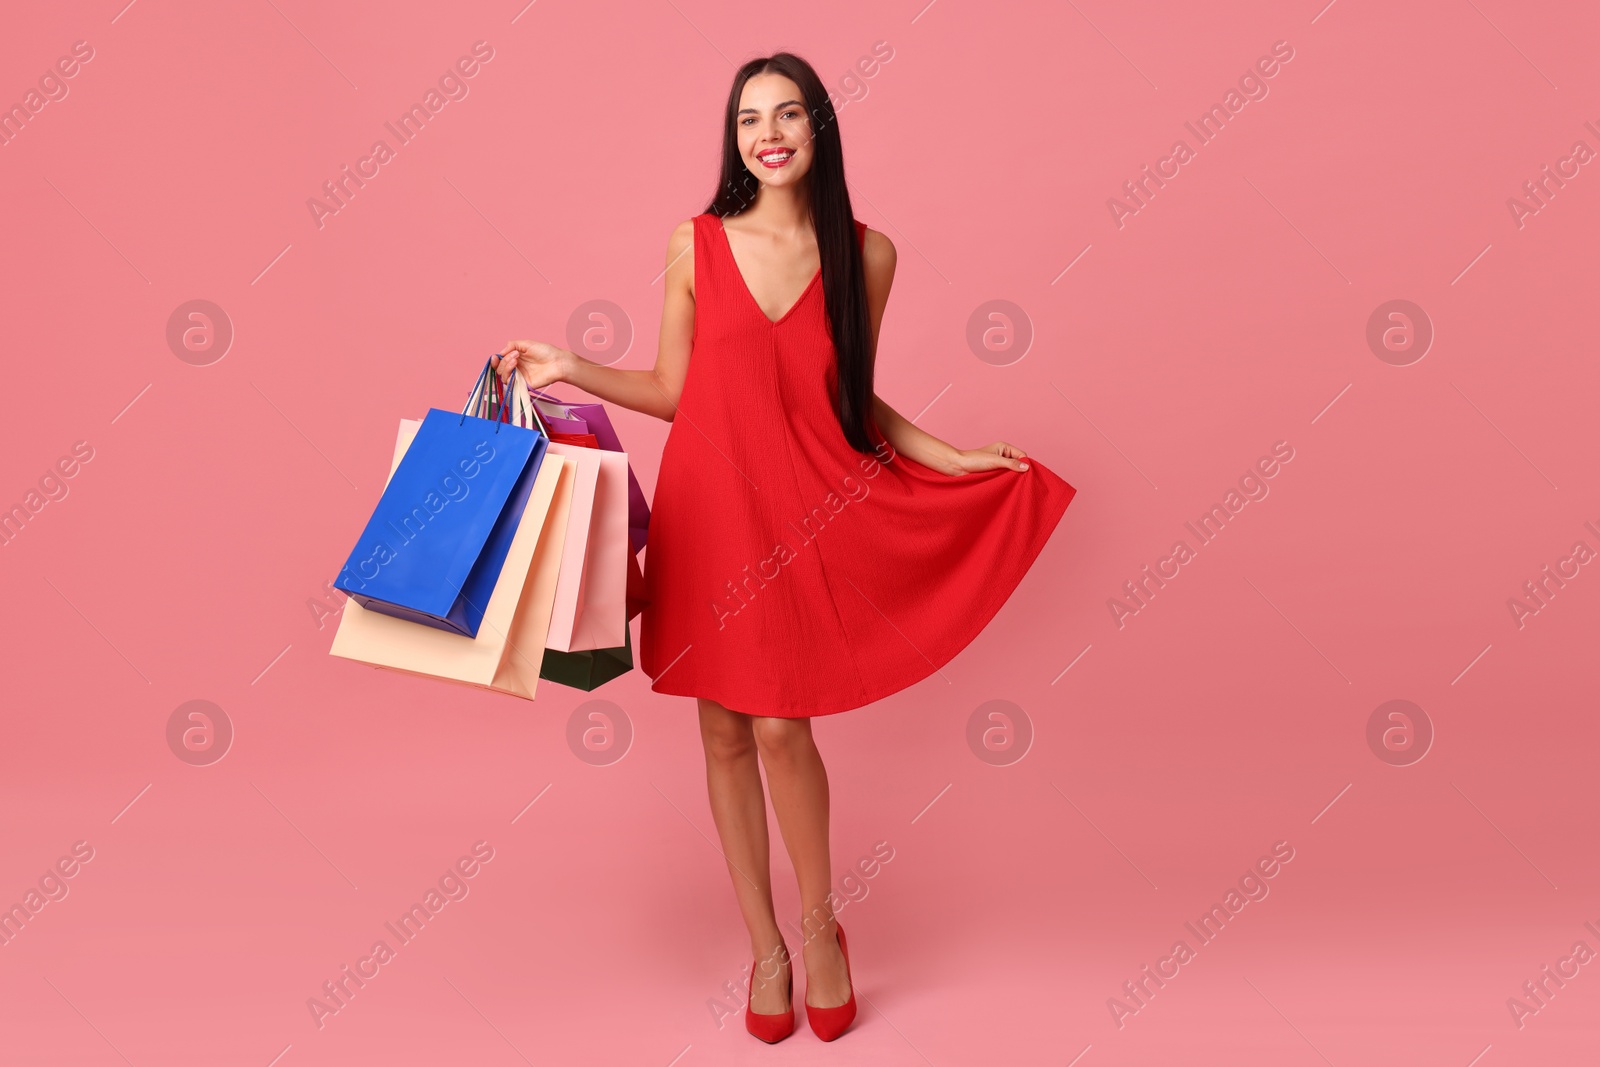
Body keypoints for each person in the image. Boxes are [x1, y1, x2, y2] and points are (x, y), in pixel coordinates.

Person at [493, 52, 1075, 1043]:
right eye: (750, 118)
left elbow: (853, 399)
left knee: (776, 727)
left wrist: (957, 452)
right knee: (720, 732)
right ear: (734, 137)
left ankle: (821, 927)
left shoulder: (868, 253)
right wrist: (573, 366)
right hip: (708, 510)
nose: (768, 134)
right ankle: (763, 946)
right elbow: (677, 390)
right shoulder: (694, 242)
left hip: (802, 509)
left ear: (819, 131)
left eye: (788, 115)